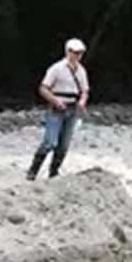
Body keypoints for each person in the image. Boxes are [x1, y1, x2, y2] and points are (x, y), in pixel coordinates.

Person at [26, 38, 90, 181]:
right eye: (74, 52)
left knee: (64, 145)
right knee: (50, 142)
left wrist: (82, 101)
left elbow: (85, 90)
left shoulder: (82, 71)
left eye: (80, 53)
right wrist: (55, 101)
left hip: (72, 109)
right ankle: (32, 171)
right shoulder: (56, 69)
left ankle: (53, 173)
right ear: (67, 51)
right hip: (56, 109)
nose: (77, 56)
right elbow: (43, 88)